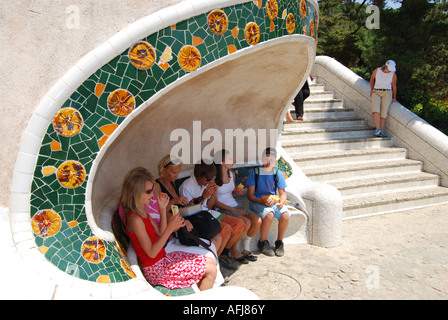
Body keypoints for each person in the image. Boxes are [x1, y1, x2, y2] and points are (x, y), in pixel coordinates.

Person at [120, 167, 217, 291]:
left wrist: (162, 208)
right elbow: (151, 252)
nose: (152, 195)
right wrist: (170, 229)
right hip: (156, 269)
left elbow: (160, 232)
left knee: (210, 261)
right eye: (149, 191)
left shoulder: (142, 210)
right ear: (136, 192)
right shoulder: (135, 220)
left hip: (162, 258)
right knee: (210, 270)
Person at [179, 161, 246, 270]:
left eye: (212, 178)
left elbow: (209, 207)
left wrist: (212, 194)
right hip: (197, 216)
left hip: (208, 212)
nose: (211, 181)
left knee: (240, 224)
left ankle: (223, 253)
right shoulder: (187, 186)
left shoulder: (204, 183)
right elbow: (189, 212)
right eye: (208, 179)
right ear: (200, 177)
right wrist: (205, 196)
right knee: (226, 229)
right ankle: (215, 262)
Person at [213, 150, 261, 263]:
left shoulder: (231, 174)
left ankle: (246, 246)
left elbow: (231, 194)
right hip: (223, 208)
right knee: (246, 223)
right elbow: (215, 202)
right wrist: (235, 210)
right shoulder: (214, 178)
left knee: (256, 220)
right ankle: (232, 250)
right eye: (230, 159)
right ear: (221, 162)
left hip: (235, 204)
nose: (233, 161)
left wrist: (236, 193)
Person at [246, 148, 290, 257]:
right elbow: (250, 195)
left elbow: (283, 193)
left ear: (275, 161)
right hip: (257, 201)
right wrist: (262, 201)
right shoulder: (255, 173)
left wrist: (281, 202)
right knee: (269, 214)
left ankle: (279, 242)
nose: (269, 162)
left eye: (272, 159)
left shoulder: (277, 173)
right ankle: (263, 241)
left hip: (273, 201)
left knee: (285, 214)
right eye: (266, 159)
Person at [369, 60, 398, 138]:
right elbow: (371, 80)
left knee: (384, 113)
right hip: (376, 91)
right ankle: (378, 130)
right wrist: (372, 91)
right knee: (375, 111)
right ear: (386, 66)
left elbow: (394, 86)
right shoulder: (377, 71)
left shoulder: (393, 74)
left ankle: (379, 130)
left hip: (387, 93)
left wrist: (394, 98)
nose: (390, 71)